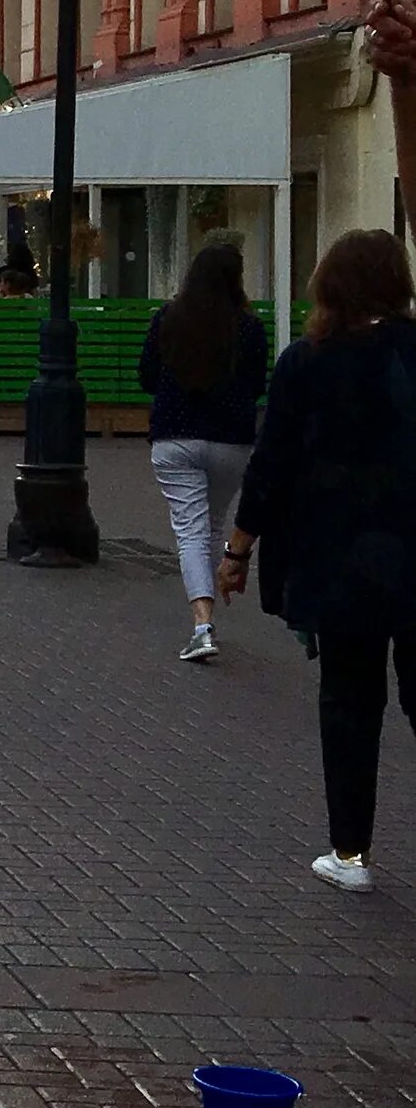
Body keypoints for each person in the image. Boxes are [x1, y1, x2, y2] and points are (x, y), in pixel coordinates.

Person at [220, 226, 416, 891]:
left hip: (341, 562)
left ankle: (350, 852)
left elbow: (271, 464)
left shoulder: (306, 363)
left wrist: (237, 548)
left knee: (349, 703)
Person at [141, 242, 270, 663]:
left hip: (175, 436)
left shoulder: (168, 320)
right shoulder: (248, 328)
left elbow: (146, 376)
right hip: (230, 440)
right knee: (212, 526)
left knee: (190, 529)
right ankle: (207, 614)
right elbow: (254, 386)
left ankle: (201, 623)